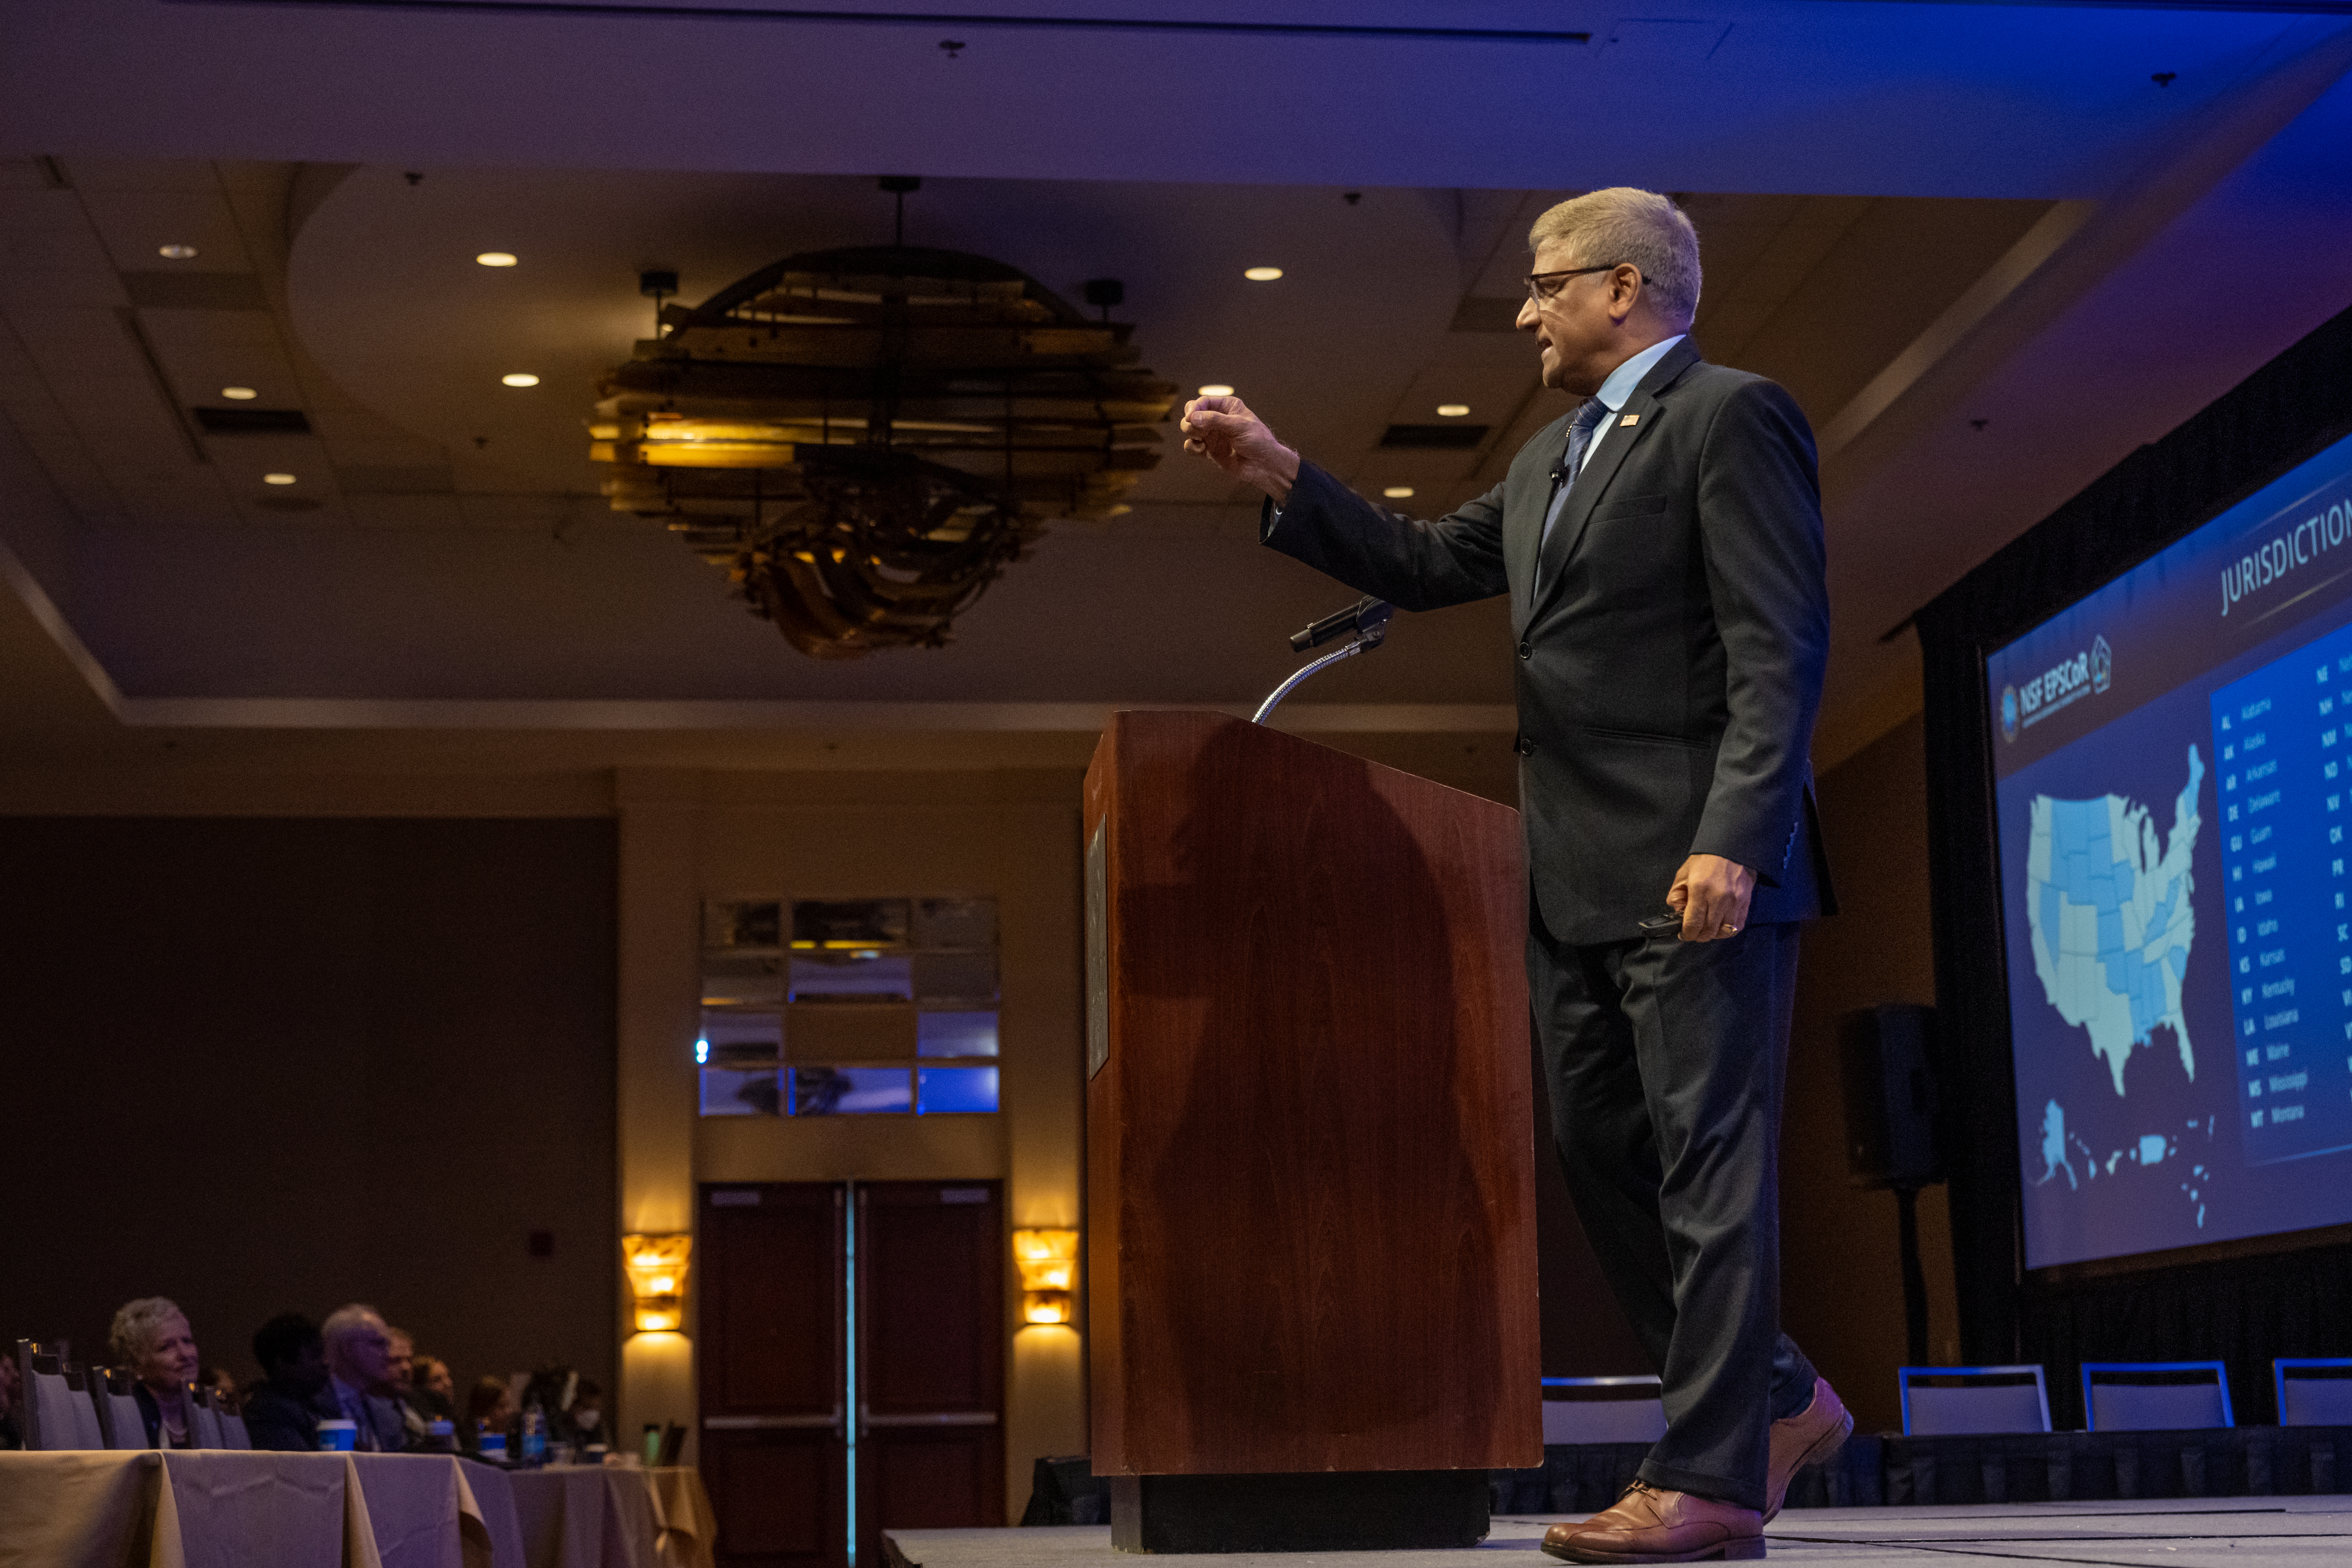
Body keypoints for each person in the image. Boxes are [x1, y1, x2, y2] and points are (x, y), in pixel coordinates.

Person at [1179, 186, 1848, 1565]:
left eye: (1544, 287)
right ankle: (1776, 1398)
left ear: (1621, 287)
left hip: (1699, 864)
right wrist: (1275, 469)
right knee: (1603, 1157)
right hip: (1574, 876)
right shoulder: (1552, 455)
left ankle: (1711, 1479)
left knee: (1708, 1167)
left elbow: (1776, 644)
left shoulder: (1731, 416)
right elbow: (1424, 564)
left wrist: (1737, 832)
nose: (1527, 312)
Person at [111, 1297, 201, 1449]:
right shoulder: (125, 1420)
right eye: (166, 1347)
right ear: (137, 1365)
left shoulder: (208, 1412)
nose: (184, 1354)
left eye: (187, 1341)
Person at [318, 1305, 409, 1452]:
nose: (388, 1355)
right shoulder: (310, 1407)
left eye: (388, 1345)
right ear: (347, 1349)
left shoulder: (389, 1414)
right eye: (378, 1344)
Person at [242, 1313, 330, 1451]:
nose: (326, 1363)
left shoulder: (313, 1405)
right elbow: (303, 1468)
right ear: (282, 1363)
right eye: (315, 1356)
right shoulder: (269, 1413)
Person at [463, 1375, 516, 1457]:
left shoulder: (513, 1439)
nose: (509, 1412)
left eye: (509, 1405)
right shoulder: (473, 1442)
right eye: (501, 1406)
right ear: (483, 1410)